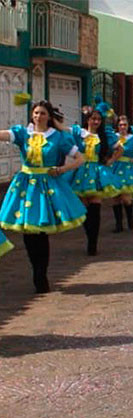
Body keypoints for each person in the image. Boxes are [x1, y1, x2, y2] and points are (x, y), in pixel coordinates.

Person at [0, 100, 87, 292]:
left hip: (47, 186)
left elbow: (80, 158)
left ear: (49, 117)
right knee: (28, 231)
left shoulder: (58, 137)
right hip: (25, 186)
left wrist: (62, 169)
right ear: (32, 115)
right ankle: (36, 271)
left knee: (41, 230)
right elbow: (3, 135)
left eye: (43, 113)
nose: (39, 116)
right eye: (36, 113)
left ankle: (41, 274)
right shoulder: (23, 133)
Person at [67, 107, 123, 255]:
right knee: (84, 210)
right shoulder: (79, 133)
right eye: (93, 119)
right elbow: (63, 130)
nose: (96, 121)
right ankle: (90, 236)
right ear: (88, 120)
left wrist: (111, 160)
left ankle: (93, 243)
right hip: (80, 173)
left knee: (95, 208)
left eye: (98, 119)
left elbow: (120, 149)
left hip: (96, 172)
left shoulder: (105, 136)